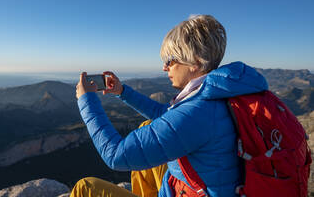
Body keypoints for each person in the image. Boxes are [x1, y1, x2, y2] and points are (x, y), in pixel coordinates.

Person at [73, 15, 268, 197]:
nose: (164, 67)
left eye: (170, 60)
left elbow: (115, 155)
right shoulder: (221, 94)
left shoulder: (197, 114)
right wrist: (123, 92)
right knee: (147, 126)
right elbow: (165, 115)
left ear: (195, 62)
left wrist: (86, 100)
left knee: (86, 187)